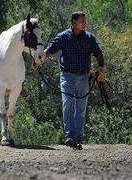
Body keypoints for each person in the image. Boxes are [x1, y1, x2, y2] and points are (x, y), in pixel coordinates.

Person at [36, 11, 106, 150]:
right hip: (67, 77)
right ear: (74, 23)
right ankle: (69, 136)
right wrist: (39, 61)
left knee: (80, 109)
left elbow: (98, 53)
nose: (85, 23)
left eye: (85, 21)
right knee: (67, 105)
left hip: (84, 77)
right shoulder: (63, 37)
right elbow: (49, 51)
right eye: (82, 21)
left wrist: (101, 69)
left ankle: (77, 139)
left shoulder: (89, 37)